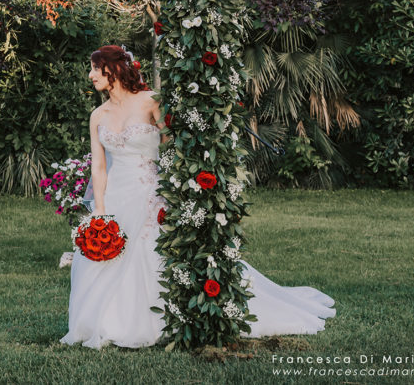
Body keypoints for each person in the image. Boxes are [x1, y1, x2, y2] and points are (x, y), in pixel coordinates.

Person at [61, 45, 335, 349]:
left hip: (152, 192)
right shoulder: (97, 115)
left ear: (115, 69)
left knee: (154, 253)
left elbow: (175, 145)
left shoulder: (150, 101)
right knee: (107, 258)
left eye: (96, 69)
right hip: (116, 197)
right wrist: (100, 211)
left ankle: (166, 318)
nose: (91, 75)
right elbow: (99, 167)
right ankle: (108, 321)